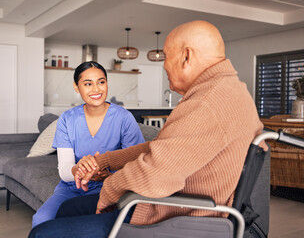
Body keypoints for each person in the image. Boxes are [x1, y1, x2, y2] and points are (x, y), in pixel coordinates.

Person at [29, 20, 265, 237]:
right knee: (69, 208)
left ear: (186, 56)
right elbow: (159, 148)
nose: (164, 65)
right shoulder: (229, 90)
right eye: (87, 83)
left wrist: (109, 187)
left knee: (42, 233)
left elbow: (154, 175)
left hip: (171, 214)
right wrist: (105, 162)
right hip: (169, 202)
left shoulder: (208, 103)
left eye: (166, 56)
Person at [31, 61, 145, 228]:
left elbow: (137, 163)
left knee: (91, 225)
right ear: (77, 87)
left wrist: (106, 174)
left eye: (101, 82)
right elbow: (64, 170)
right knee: (41, 220)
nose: (96, 89)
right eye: (88, 84)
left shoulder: (124, 118)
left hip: (111, 187)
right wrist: (81, 171)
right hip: (72, 187)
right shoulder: (67, 119)